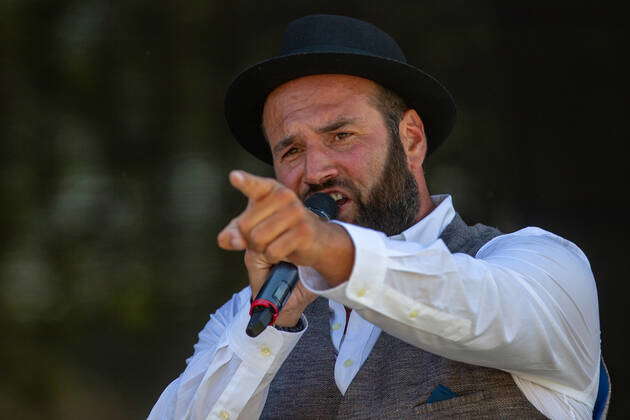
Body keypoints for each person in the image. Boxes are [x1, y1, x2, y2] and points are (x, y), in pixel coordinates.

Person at [149, 14, 607, 419]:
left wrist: (333, 254)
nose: (315, 171)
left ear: (410, 139)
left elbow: (481, 306)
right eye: (291, 150)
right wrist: (269, 331)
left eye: (342, 135)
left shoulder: (540, 263)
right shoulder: (251, 309)